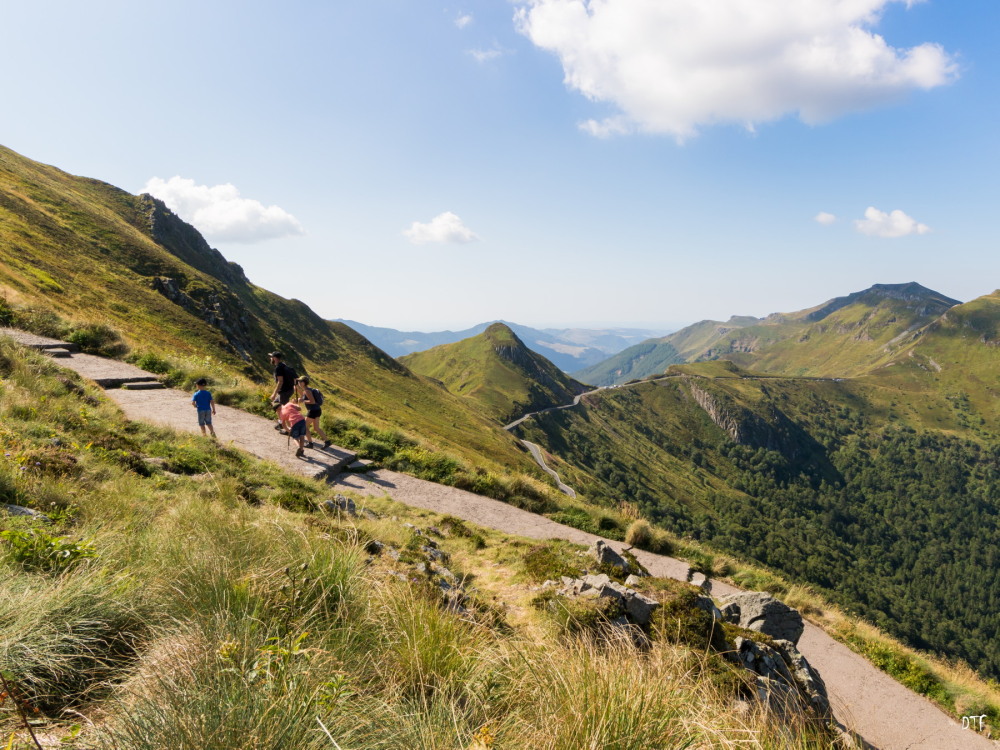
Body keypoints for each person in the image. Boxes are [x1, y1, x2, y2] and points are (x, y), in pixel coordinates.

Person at [295, 376, 331, 449]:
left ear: (304, 383)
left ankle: (310, 443)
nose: (298, 383)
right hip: (317, 410)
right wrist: (299, 396)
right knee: (316, 428)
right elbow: (305, 397)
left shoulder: (307, 391)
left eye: (300, 381)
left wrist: (303, 401)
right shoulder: (307, 390)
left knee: (305, 426)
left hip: (313, 411)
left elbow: (312, 401)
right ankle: (327, 442)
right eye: (298, 381)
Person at [268, 351, 297, 431]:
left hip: (284, 391)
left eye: (271, 357)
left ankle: (289, 429)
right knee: (276, 405)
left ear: (274, 358)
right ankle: (281, 423)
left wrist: (274, 394)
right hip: (289, 390)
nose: (270, 359)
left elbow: (280, 381)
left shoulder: (278, 368)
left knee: (284, 409)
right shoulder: (283, 365)